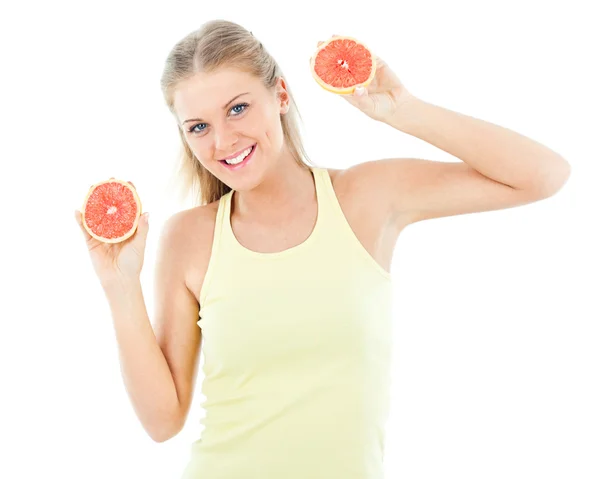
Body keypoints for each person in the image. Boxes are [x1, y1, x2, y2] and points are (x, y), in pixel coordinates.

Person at [74, 19, 571, 479]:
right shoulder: (188, 237)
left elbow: (542, 175)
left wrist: (403, 109)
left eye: (238, 108)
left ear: (281, 94)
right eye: (199, 126)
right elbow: (163, 421)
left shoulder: (367, 197)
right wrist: (119, 287)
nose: (223, 140)